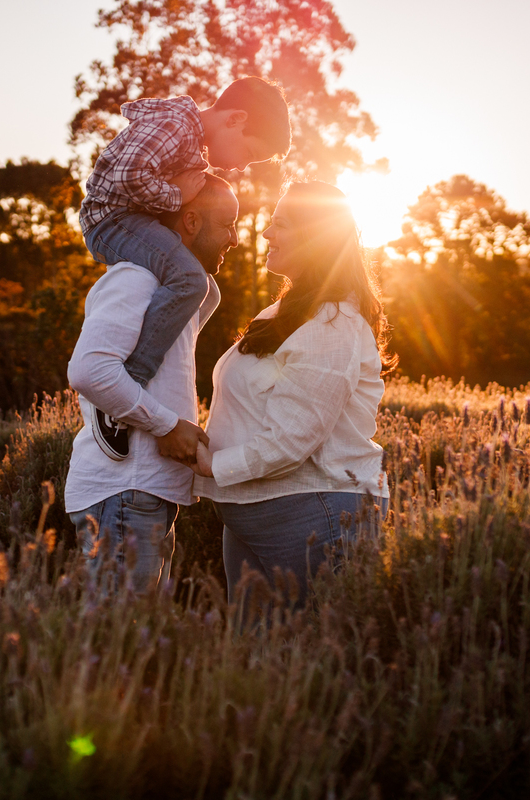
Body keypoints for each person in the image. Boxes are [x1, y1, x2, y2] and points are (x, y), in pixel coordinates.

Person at [191, 181, 396, 605]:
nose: (265, 233)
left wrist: (214, 465)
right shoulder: (282, 313)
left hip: (314, 512)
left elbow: (293, 437)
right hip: (256, 509)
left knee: (314, 654)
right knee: (255, 659)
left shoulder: (334, 323)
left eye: (279, 224)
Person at [79, 76, 291, 461]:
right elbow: (129, 176)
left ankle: (165, 348)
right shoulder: (176, 126)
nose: (242, 165)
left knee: (207, 289)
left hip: (135, 219)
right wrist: (178, 195)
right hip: (111, 220)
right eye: (248, 153)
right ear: (236, 120)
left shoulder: (193, 141)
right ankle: (132, 382)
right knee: (190, 278)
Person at [67, 174, 239, 591]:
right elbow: (90, 371)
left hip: (147, 493)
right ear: (192, 221)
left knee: (138, 643)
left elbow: (206, 295)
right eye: (227, 223)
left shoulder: (177, 291)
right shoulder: (135, 277)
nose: (235, 238)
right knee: (119, 643)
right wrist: (167, 425)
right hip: (126, 491)